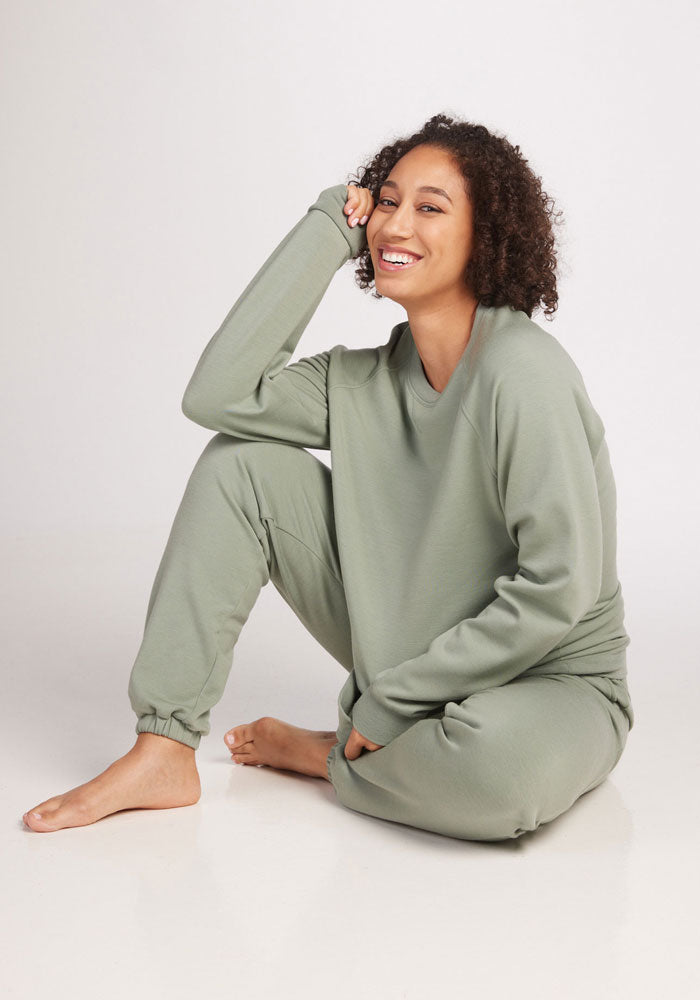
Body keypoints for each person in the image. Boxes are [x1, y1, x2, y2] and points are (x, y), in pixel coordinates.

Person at [23, 113, 634, 840]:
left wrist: (389, 702)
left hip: (552, 679)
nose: (395, 224)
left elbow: (558, 587)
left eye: (430, 208)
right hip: (411, 645)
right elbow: (217, 396)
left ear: (487, 235)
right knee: (239, 464)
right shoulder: (362, 381)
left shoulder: (523, 373)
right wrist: (326, 229)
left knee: (496, 778)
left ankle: (327, 755)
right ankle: (163, 749)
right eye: (387, 201)